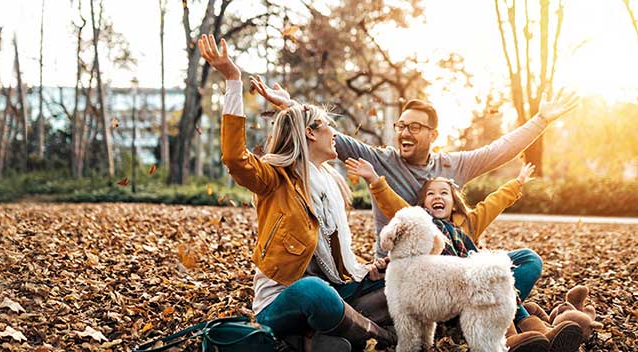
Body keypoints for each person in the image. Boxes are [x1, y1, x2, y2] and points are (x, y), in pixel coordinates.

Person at [200, 34, 394, 352]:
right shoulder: (275, 179)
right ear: (310, 133)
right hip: (286, 302)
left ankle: (315, 340)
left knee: (403, 275)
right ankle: (379, 336)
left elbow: (333, 259)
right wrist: (233, 81)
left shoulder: (329, 182)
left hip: (338, 290)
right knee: (314, 292)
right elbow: (235, 158)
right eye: (328, 125)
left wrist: (368, 270)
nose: (335, 133)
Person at [249, 77, 580, 258]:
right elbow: (328, 136)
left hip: (450, 261)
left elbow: (500, 150)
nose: (404, 132)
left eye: (415, 127)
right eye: (401, 125)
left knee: (526, 262)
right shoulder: (380, 160)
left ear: (433, 135)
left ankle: (525, 322)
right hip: (400, 266)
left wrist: (540, 121)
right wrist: (292, 106)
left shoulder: (454, 165)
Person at [346, 160, 588, 352]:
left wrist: (518, 182)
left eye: (444, 193)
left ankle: (540, 332)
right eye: (431, 194)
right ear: (422, 205)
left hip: (479, 280)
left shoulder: (469, 221)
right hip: (450, 294)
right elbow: (394, 205)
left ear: (454, 202)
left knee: (528, 258)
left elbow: (495, 202)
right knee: (490, 287)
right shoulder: (422, 225)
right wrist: (374, 180)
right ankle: (515, 334)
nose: (438, 197)